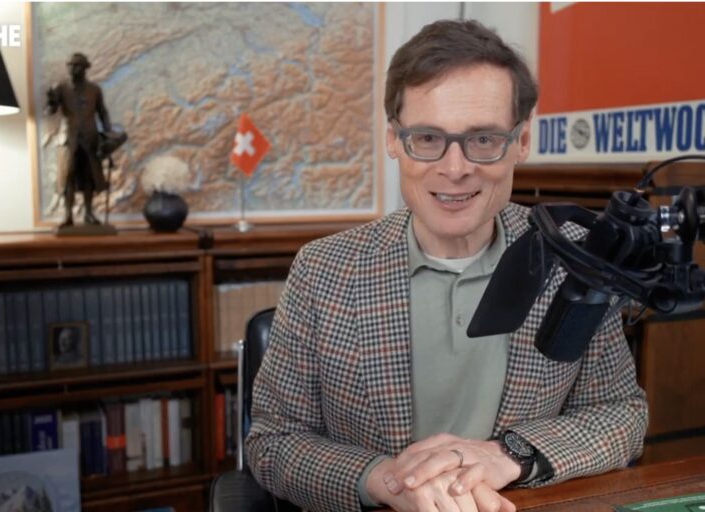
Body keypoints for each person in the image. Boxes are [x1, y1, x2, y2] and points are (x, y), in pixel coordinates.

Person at [245, 19, 649, 512]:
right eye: (427, 138)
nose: (455, 168)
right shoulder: (323, 269)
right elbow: (273, 442)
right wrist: (389, 481)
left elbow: (621, 416)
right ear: (394, 140)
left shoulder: (576, 258)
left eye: (484, 139)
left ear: (522, 141)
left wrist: (509, 455)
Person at [47, 53, 112, 228]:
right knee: (68, 176)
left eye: (76, 65)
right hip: (69, 139)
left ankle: (89, 213)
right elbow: (51, 111)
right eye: (70, 65)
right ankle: (68, 215)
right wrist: (51, 101)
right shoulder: (61, 88)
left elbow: (102, 112)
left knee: (89, 176)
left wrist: (108, 133)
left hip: (90, 138)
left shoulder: (94, 89)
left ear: (85, 68)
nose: (72, 68)